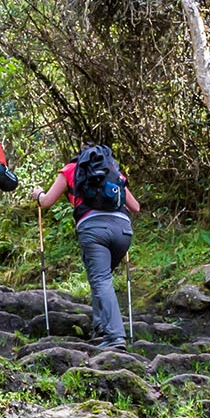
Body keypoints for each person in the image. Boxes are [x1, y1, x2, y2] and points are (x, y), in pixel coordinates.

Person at [33, 144, 140, 349]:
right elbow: (135, 207)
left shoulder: (72, 169)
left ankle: (116, 336)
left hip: (93, 230)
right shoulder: (113, 170)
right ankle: (101, 326)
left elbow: (46, 202)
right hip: (123, 231)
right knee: (100, 276)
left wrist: (37, 194)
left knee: (100, 279)